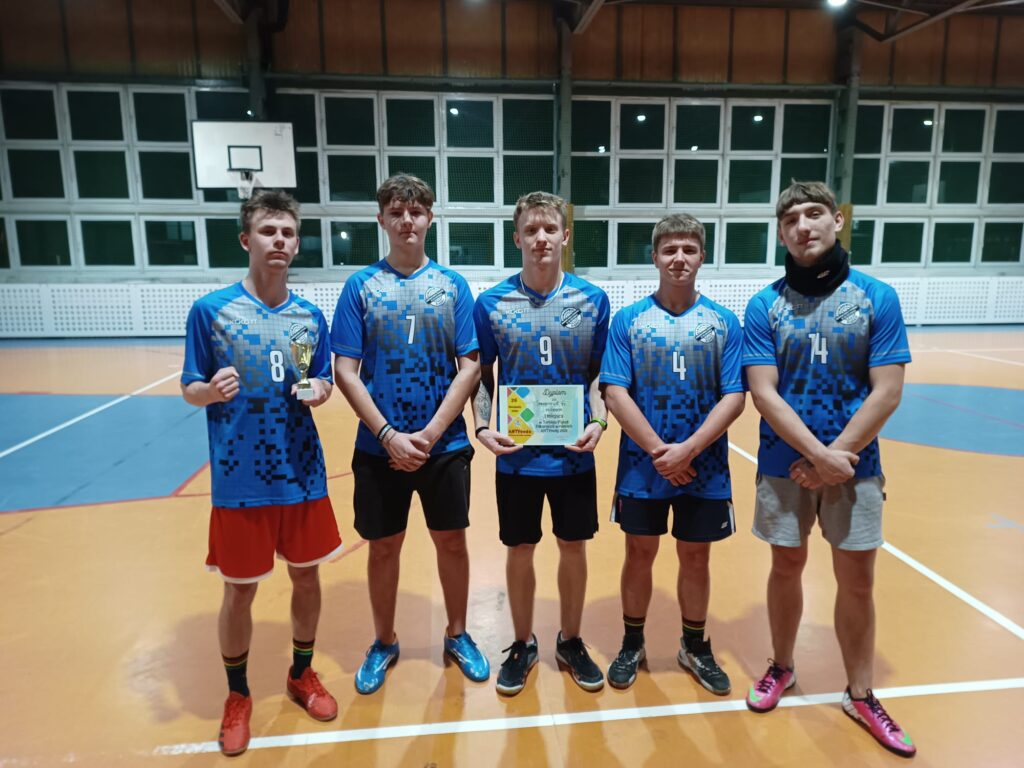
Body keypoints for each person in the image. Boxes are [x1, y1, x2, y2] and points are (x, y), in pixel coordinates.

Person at [743, 181, 915, 757]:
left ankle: (861, 693)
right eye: (790, 219)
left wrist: (833, 457)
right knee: (785, 566)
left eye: (814, 214)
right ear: (781, 233)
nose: (803, 226)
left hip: (854, 467)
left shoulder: (876, 298)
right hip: (784, 466)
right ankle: (782, 665)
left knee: (858, 580)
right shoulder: (764, 305)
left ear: (837, 220)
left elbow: (887, 391)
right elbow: (763, 393)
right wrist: (817, 459)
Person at [181, 189, 342, 757]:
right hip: (239, 476)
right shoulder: (212, 311)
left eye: (288, 233)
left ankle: (301, 674)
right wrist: (208, 390)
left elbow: (322, 378)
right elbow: (189, 387)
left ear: (296, 244)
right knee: (240, 590)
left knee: (307, 578)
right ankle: (238, 694)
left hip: (301, 472)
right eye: (269, 231)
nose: (279, 240)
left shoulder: (308, 317)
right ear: (246, 239)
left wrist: (321, 390)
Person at [331, 174, 488, 695]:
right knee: (383, 549)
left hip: (444, 447)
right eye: (396, 212)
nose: (406, 221)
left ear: (430, 218)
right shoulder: (361, 287)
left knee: (452, 543)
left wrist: (429, 434)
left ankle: (458, 634)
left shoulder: (453, 286)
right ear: (381, 220)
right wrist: (388, 435)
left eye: (416, 212)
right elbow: (345, 371)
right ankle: (384, 641)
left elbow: (470, 365)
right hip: (379, 449)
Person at [599, 214, 744, 694]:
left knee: (696, 557)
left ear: (703, 256)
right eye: (669, 250)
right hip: (643, 467)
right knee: (639, 552)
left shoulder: (723, 322)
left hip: (705, 467)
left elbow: (734, 396)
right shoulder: (629, 321)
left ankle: (694, 646)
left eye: (688, 249)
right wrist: (661, 452)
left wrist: (688, 450)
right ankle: (632, 643)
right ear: (655, 257)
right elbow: (615, 392)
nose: (679, 258)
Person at [473, 191, 610, 695]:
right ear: (517, 238)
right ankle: (522, 642)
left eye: (550, 228)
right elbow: (482, 376)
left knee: (573, 546)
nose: (541, 238)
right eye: (531, 230)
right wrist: (482, 426)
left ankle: (570, 641)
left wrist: (600, 422)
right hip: (517, 457)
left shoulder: (592, 300)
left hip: (573, 455)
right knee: (520, 548)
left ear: (565, 235)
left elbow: (599, 376)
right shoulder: (492, 304)